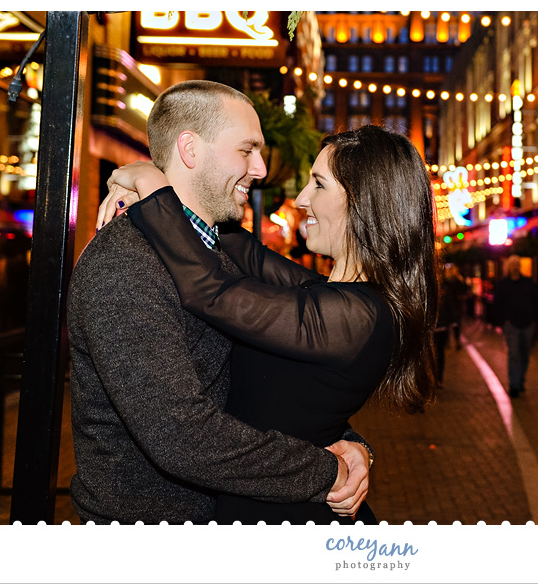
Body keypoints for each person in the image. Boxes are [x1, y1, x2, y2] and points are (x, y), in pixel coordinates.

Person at [98, 121, 439, 525]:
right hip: (269, 499)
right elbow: (238, 246)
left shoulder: (357, 315)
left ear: (364, 203)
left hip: (282, 514)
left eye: (319, 184)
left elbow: (209, 290)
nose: (301, 199)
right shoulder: (330, 295)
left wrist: (150, 182)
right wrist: (167, 181)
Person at [67, 80, 373, 525]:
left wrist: (350, 442)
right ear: (190, 149)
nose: (261, 168)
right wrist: (328, 470)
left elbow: (263, 387)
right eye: (247, 150)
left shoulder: (214, 254)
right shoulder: (125, 262)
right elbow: (181, 435)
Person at [492, 255, 538, 397]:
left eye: (517, 264)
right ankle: (514, 385)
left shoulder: (528, 283)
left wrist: (533, 318)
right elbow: (497, 303)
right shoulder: (503, 284)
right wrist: (504, 319)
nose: (515, 267)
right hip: (511, 325)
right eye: (512, 265)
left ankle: (520, 379)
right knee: (514, 354)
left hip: (527, 324)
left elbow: (536, 301)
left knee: (524, 354)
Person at [442, 263, 468, 349]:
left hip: (456, 305)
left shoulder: (458, 280)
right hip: (448, 306)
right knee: (447, 325)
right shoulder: (445, 282)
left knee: (456, 324)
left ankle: (456, 341)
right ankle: (447, 341)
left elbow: (464, 290)